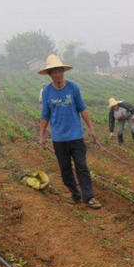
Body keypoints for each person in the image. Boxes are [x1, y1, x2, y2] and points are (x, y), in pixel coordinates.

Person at [38, 54, 102, 209]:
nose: (58, 74)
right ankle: (75, 194)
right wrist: (42, 135)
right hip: (59, 138)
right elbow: (45, 115)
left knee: (81, 166)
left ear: (63, 72)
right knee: (65, 171)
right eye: (54, 72)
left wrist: (91, 129)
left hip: (76, 136)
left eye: (60, 71)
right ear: (49, 74)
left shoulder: (73, 87)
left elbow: (82, 109)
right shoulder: (47, 92)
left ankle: (89, 197)